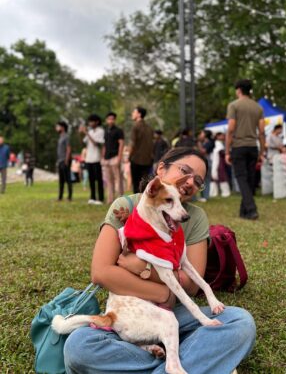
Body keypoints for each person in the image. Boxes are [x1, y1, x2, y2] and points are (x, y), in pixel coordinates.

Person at [64, 147, 256, 374]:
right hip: (131, 316)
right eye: (184, 170)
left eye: (198, 181)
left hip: (175, 312)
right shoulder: (126, 206)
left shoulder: (194, 217)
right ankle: (192, 360)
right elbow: (101, 273)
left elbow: (191, 284)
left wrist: (142, 268)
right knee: (78, 346)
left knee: (241, 322)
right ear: (161, 169)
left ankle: (162, 361)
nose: (190, 182)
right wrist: (163, 292)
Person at [225, 79, 265, 220]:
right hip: (253, 146)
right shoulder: (258, 108)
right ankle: (245, 212)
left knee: (241, 178)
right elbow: (261, 132)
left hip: (238, 146)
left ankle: (251, 209)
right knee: (249, 179)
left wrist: (227, 151)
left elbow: (230, 129)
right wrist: (262, 152)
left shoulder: (234, 105)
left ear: (239, 90)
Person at [79, 114, 105, 205]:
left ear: (97, 122)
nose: (90, 123)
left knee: (99, 179)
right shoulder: (90, 131)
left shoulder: (100, 131)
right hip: (88, 158)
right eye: (89, 121)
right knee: (91, 179)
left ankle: (101, 198)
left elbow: (96, 144)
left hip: (96, 159)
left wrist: (86, 133)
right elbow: (83, 143)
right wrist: (81, 133)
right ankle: (92, 197)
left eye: (92, 121)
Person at [102, 112, 125, 204]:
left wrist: (119, 157)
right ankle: (110, 199)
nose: (110, 120)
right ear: (106, 120)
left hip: (115, 156)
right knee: (109, 180)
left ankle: (120, 198)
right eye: (109, 119)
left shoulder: (119, 131)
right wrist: (103, 157)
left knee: (118, 178)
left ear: (115, 120)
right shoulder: (106, 131)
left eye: (112, 119)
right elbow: (104, 145)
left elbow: (121, 144)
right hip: (107, 158)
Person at [130, 106, 153, 193]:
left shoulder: (135, 127)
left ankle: (136, 205)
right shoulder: (149, 128)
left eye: (134, 112)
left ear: (139, 114)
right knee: (145, 185)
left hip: (136, 159)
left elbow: (133, 144)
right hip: (147, 160)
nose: (132, 114)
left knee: (136, 184)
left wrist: (129, 156)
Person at [210, 133, 230, 198]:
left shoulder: (220, 143)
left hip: (218, 161)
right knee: (221, 176)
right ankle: (221, 192)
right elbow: (220, 152)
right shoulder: (217, 143)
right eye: (222, 135)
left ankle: (219, 192)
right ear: (217, 136)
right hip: (218, 161)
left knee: (220, 176)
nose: (223, 136)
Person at [56, 121, 72, 201]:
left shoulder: (66, 136)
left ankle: (69, 197)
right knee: (61, 180)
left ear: (62, 127)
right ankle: (60, 197)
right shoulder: (60, 137)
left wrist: (66, 160)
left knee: (68, 179)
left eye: (58, 126)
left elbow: (68, 148)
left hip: (65, 160)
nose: (56, 128)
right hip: (60, 160)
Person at [197, 130, 215, 201]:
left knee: (206, 180)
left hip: (207, 162)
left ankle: (206, 197)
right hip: (202, 162)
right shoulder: (204, 142)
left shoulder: (209, 143)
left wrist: (198, 143)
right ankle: (203, 196)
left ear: (205, 135)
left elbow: (203, 151)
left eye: (201, 133)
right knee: (201, 180)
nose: (200, 135)